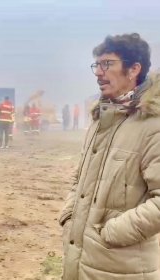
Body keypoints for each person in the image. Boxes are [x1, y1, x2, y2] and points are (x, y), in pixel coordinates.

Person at [60, 33, 160, 279]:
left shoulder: (153, 125)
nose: (98, 72)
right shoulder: (100, 120)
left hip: (122, 268)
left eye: (108, 64)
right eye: (97, 64)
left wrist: (112, 232)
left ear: (134, 69)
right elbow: (79, 179)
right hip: (82, 260)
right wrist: (69, 216)